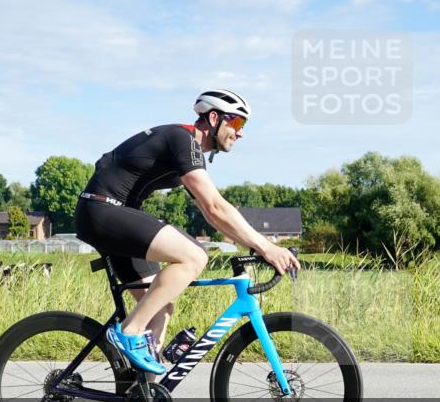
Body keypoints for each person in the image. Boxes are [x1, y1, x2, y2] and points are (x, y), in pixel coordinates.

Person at [74, 89, 301, 376]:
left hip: (110, 215)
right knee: (193, 256)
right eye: (238, 124)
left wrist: (256, 246)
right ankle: (128, 333)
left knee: (160, 309)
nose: (241, 134)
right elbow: (216, 206)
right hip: (102, 210)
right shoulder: (183, 139)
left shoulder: (186, 152)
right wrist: (267, 247)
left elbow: (212, 214)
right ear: (215, 118)